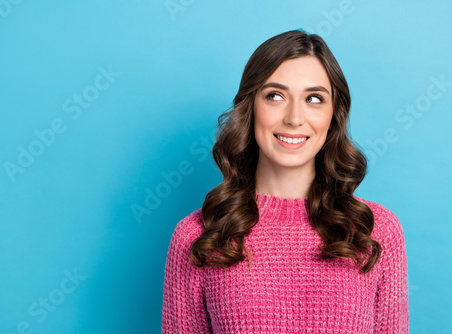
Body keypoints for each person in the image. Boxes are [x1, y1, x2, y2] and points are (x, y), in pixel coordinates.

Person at [161, 29, 409, 333]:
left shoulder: (377, 231)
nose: (294, 118)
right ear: (251, 107)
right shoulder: (200, 236)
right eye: (275, 96)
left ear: (333, 116)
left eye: (314, 98)